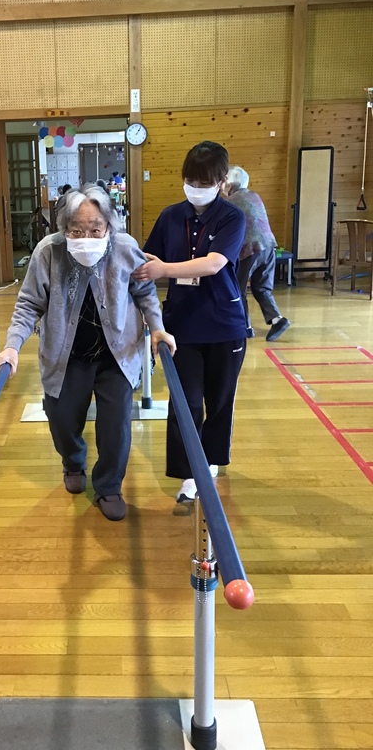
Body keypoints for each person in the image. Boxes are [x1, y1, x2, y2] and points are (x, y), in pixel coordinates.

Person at [0, 184, 176, 521]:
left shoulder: (125, 247)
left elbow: (145, 291)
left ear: (109, 226)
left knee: (116, 426)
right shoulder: (48, 252)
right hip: (66, 356)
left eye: (95, 229)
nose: (86, 237)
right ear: (64, 228)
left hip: (116, 354)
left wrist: (157, 327)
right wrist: (11, 347)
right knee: (62, 420)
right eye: (76, 231)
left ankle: (109, 486)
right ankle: (73, 460)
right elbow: (29, 304)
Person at [133, 141, 247, 503]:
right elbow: (148, 257)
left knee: (220, 400)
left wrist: (164, 269)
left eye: (205, 182)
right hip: (181, 324)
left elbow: (213, 263)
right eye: (190, 181)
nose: (196, 188)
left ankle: (210, 462)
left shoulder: (232, 217)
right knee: (186, 402)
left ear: (222, 182)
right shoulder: (171, 216)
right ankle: (188, 473)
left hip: (224, 323)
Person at [224, 165, 291, 341]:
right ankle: (278, 319)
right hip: (268, 247)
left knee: (237, 289)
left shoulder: (230, 202)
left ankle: (245, 327)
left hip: (249, 249)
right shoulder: (254, 196)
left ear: (230, 183)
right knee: (262, 288)